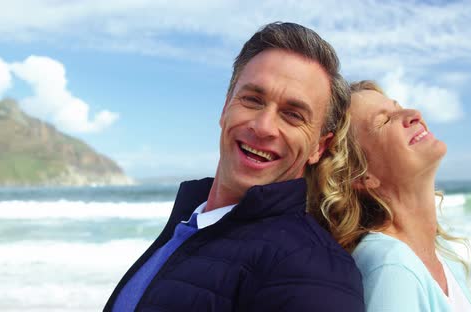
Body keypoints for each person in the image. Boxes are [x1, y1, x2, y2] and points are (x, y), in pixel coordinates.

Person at [103, 22, 364, 312]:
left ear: (319, 147)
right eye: (252, 100)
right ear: (226, 106)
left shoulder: (313, 270)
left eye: (292, 115)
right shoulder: (192, 222)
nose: (263, 127)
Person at [307, 80, 471, 311]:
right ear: (362, 175)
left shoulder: (443, 258)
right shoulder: (390, 266)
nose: (414, 114)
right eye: (385, 120)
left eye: (398, 108)